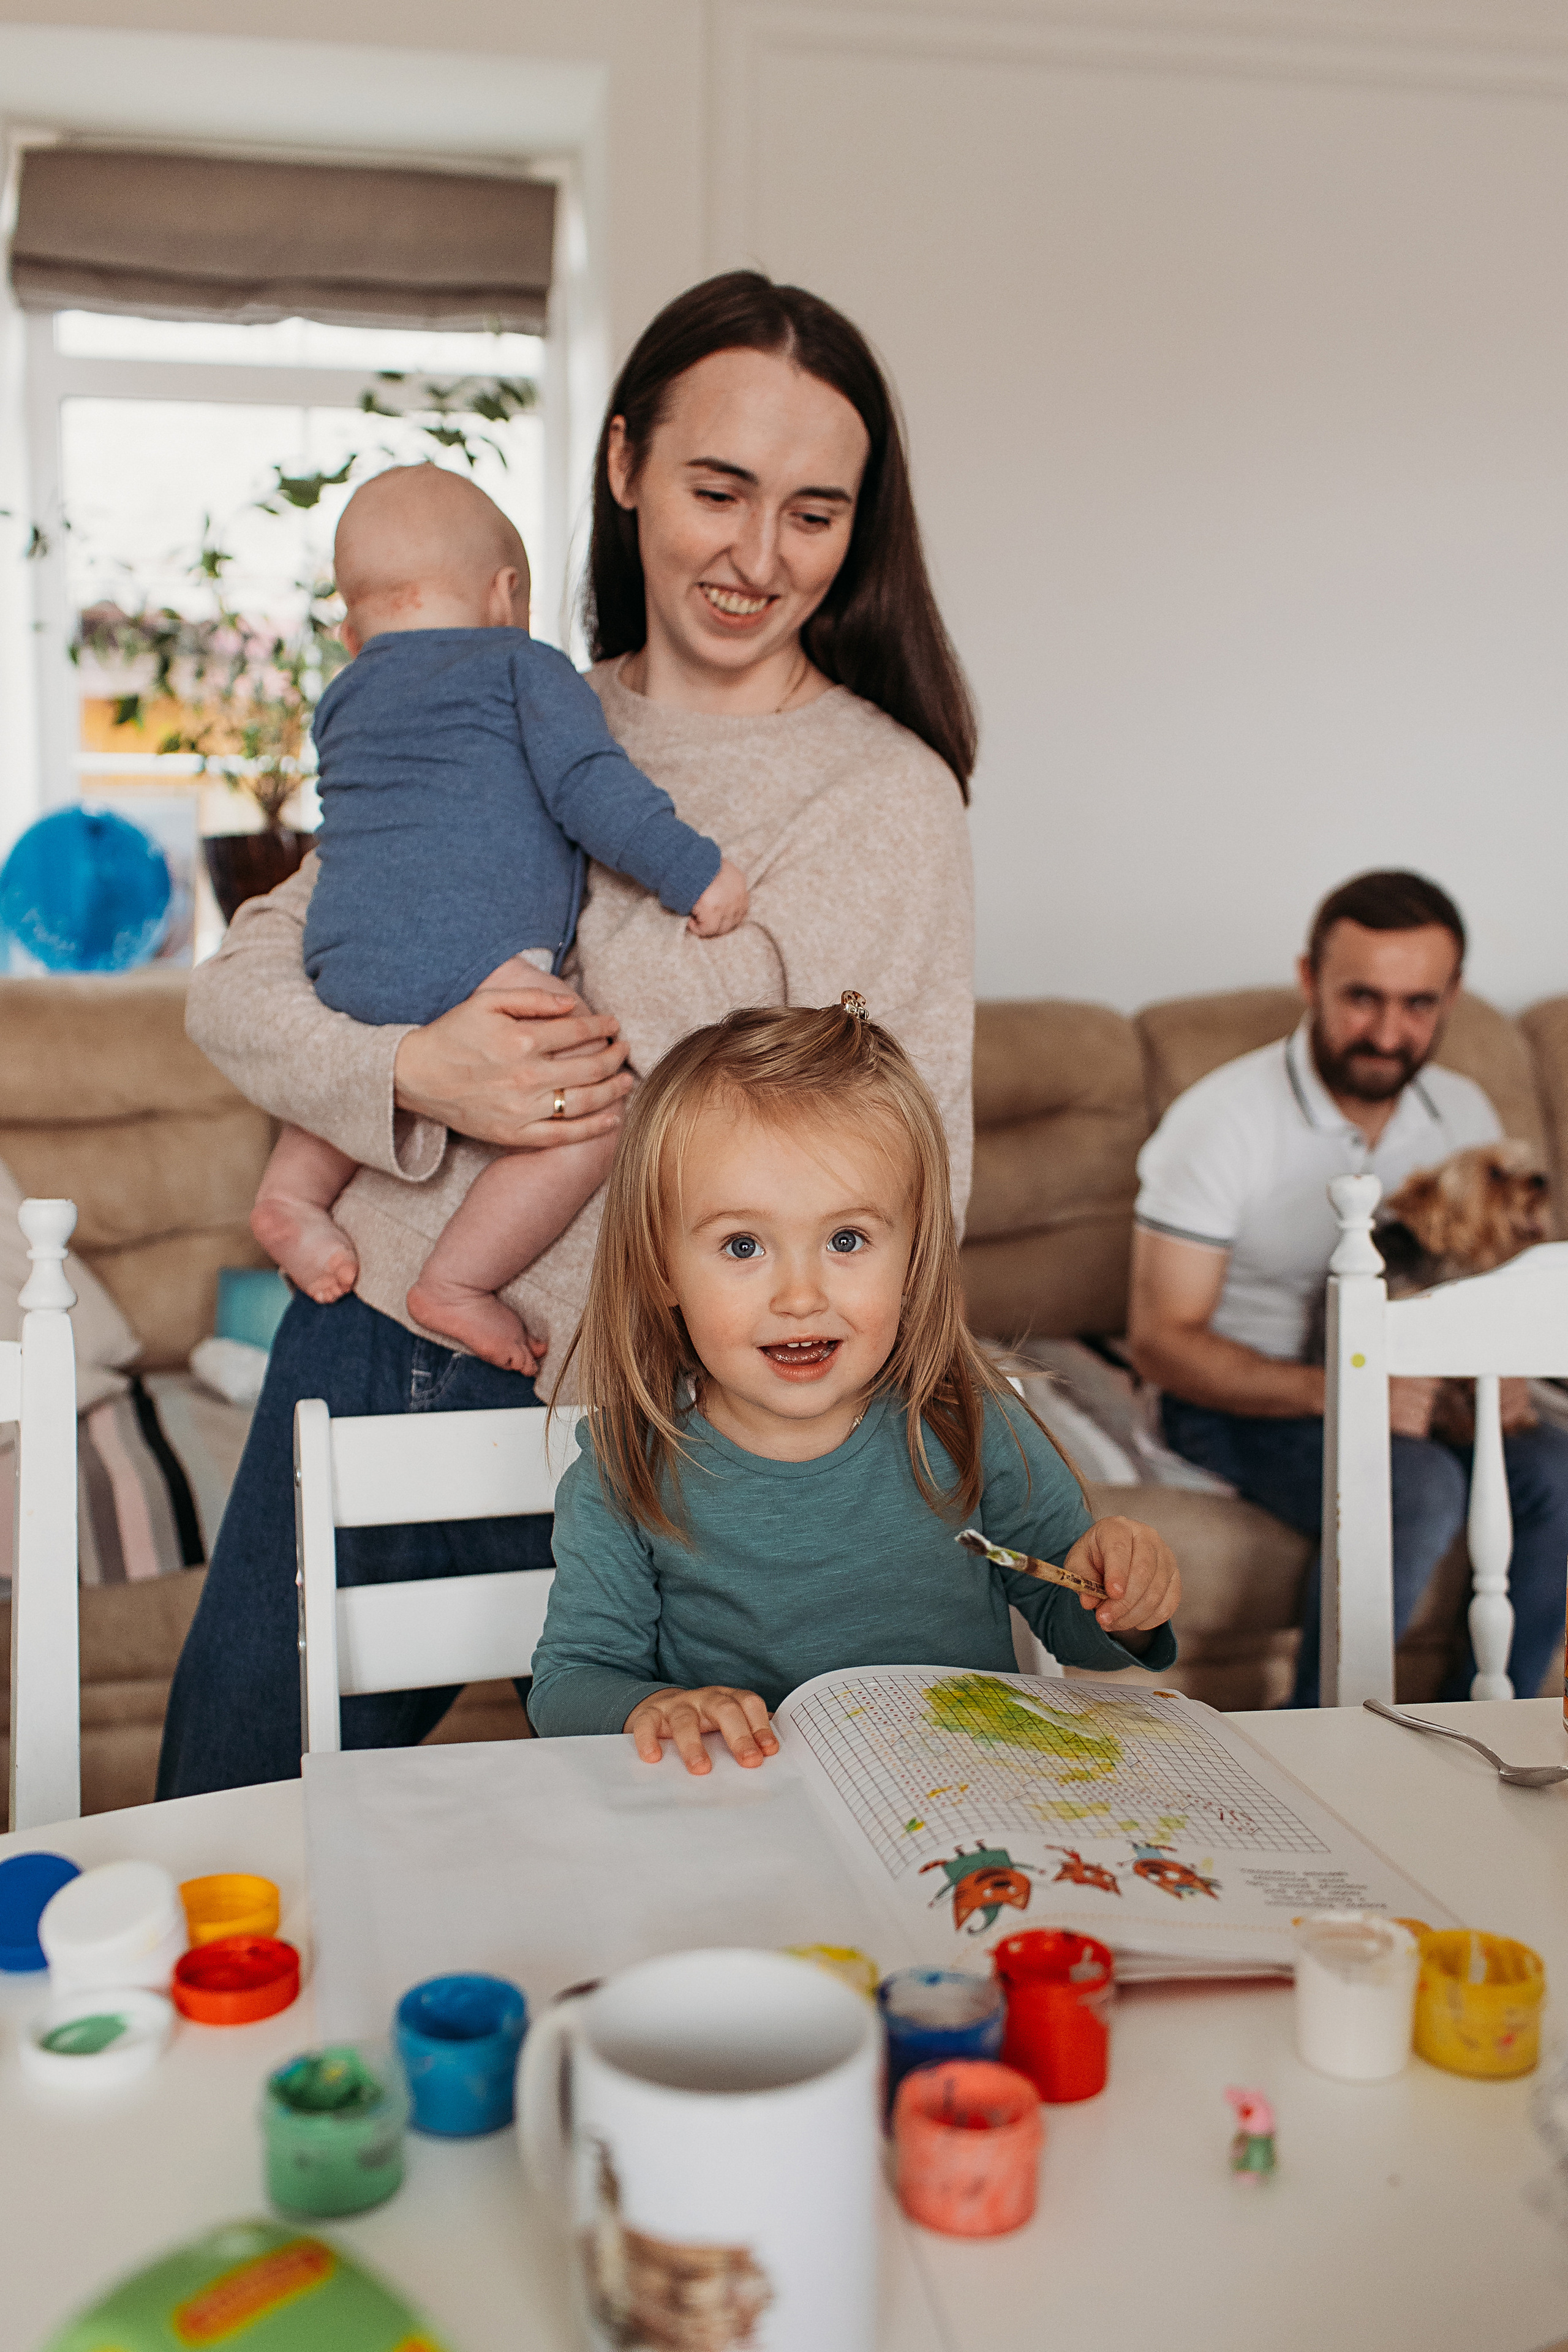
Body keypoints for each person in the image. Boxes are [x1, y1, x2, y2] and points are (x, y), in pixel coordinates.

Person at [159, 270, 979, 1796]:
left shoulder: (882, 802)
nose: (754, 554)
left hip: (699, 1419)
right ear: (620, 470)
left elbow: (920, 1172)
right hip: (393, 1344)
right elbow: (240, 981)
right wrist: (410, 1069)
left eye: (811, 511)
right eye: (715, 488)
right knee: (233, 1817)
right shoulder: (485, 696)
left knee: (722, 1867)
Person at [529, 1001, 1180, 1764]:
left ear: (912, 1259)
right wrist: (656, 1706)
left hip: (959, 1806)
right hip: (742, 1826)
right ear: (660, 1268)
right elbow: (568, 1686)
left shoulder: (973, 1425)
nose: (800, 1296)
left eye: (846, 1240)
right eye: (743, 1245)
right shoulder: (623, 1468)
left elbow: (1085, 1641)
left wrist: (1123, 1600)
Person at [252, 463, 748, 1374]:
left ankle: (290, 1197)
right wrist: (695, 872)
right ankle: (459, 1282)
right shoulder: (524, 664)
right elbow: (589, 790)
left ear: (354, 625)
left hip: (341, 955)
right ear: (507, 592)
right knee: (600, 1117)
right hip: (477, 959)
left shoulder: (345, 699)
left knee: (367, 1055)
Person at [1126, 868, 1568, 1706]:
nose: (1389, 1033)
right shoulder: (1221, 1122)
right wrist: (1344, 1390)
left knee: (1558, 1468)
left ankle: (1493, 1727)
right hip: (1239, 1394)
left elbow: (1489, 1287)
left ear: (1454, 996)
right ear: (1309, 980)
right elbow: (1161, 1341)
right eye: (1363, 998)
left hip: (1426, 1390)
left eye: (1419, 1004)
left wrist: (1499, 1375)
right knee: (1417, 1486)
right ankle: (1323, 1742)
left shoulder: (1462, 1111)